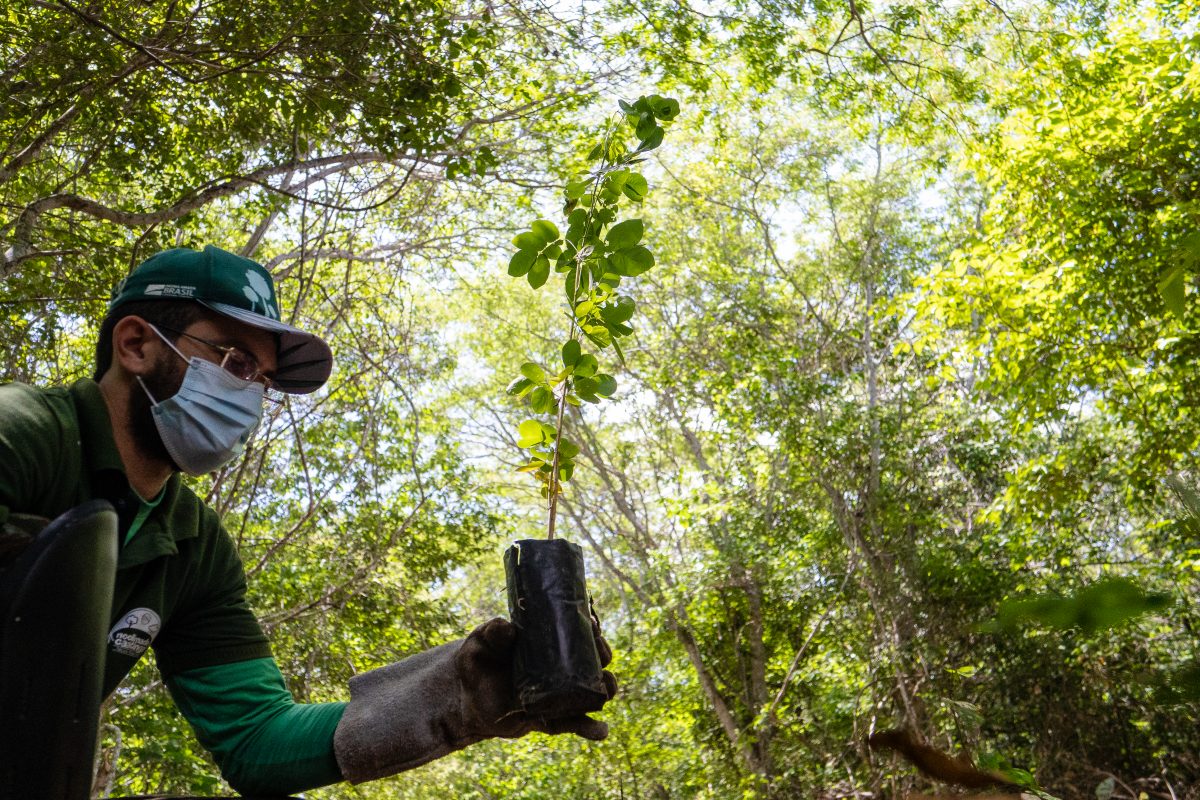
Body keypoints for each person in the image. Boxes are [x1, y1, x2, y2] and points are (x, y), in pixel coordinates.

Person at [0, 245, 616, 794]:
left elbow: (257, 739)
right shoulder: (25, 434)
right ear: (135, 345)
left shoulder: (193, 546)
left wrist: (459, 694)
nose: (251, 397)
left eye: (263, 382)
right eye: (237, 363)